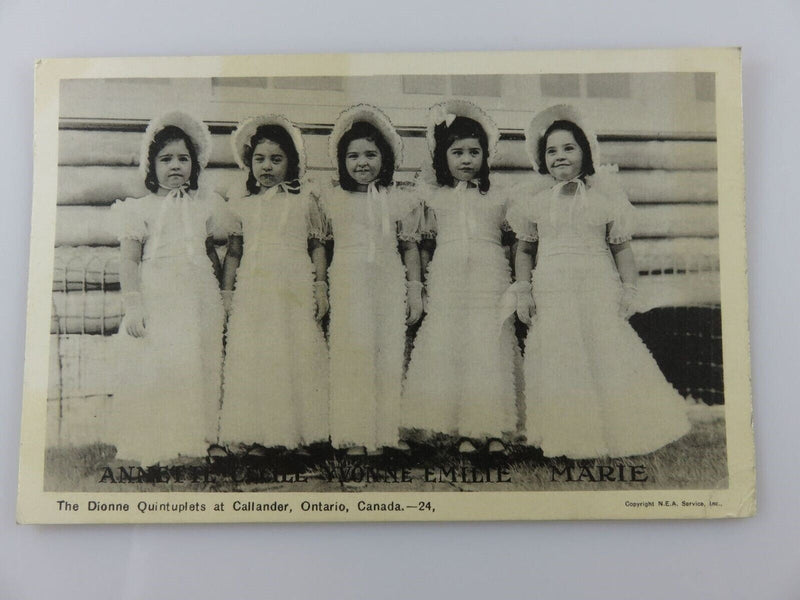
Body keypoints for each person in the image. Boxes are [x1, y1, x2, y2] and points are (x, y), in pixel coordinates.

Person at [507, 104, 691, 459]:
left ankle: (617, 431)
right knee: (561, 357)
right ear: (541, 158)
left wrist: (629, 288)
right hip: (552, 288)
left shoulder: (604, 199)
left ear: (586, 152)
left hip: (596, 285)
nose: (560, 156)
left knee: (605, 353)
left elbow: (621, 249)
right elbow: (526, 251)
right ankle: (568, 436)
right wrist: (523, 290)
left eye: (568, 148)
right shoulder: (535, 202)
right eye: (551, 151)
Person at [112, 111, 235, 464]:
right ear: (151, 167)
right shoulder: (139, 209)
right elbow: (129, 261)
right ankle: (165, 439)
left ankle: (205, 435)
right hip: (159, 295)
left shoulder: (204, 206)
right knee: (165, 365)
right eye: (166, 159)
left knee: (203, 360)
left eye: (183, 158)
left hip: (199, 295)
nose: (175, 166)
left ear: (195, 165)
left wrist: (221, 295)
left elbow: (210, 251)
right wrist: (134, 305)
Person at [403, 100, 519, 454]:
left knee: (488, 345)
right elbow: (425, 247)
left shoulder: (499, 196)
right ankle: (462, 431)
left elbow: (512, 241)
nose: (466, 160)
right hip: (448, 277)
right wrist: (419, 286)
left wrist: (517, 283)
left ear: (486, 155)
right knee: (453, 346)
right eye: (457, 152)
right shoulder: (433, 197)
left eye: (474, 152)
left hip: (490, 276)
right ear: (444, 157)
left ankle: (494, 429)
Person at [218, 115, 330, 452]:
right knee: (257, 356)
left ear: (291, 163)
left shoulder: (304, 200)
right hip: (255, 289)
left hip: (294, 286)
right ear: (249, 163)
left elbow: (317, 245)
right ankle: (258, 435)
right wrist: (227, 292)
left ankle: (297, 435)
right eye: (260, 159)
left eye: (276, 159)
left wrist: (320, 286)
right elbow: (234, 253)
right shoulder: (242, 204)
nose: (267, 167)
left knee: (294, 353)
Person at [322, 104, 423, 455]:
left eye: (370, 154)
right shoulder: (333, 199)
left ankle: (383, 433)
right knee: (354, 351)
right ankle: (354, 434)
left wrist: (414, 290)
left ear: (386, 157)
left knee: (388, 349)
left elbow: (409, 247)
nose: (362, 162)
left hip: (388, 279)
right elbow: (323, 245)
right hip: (348, 280)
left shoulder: (399, 199)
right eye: (353, 156)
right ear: (342, 161)